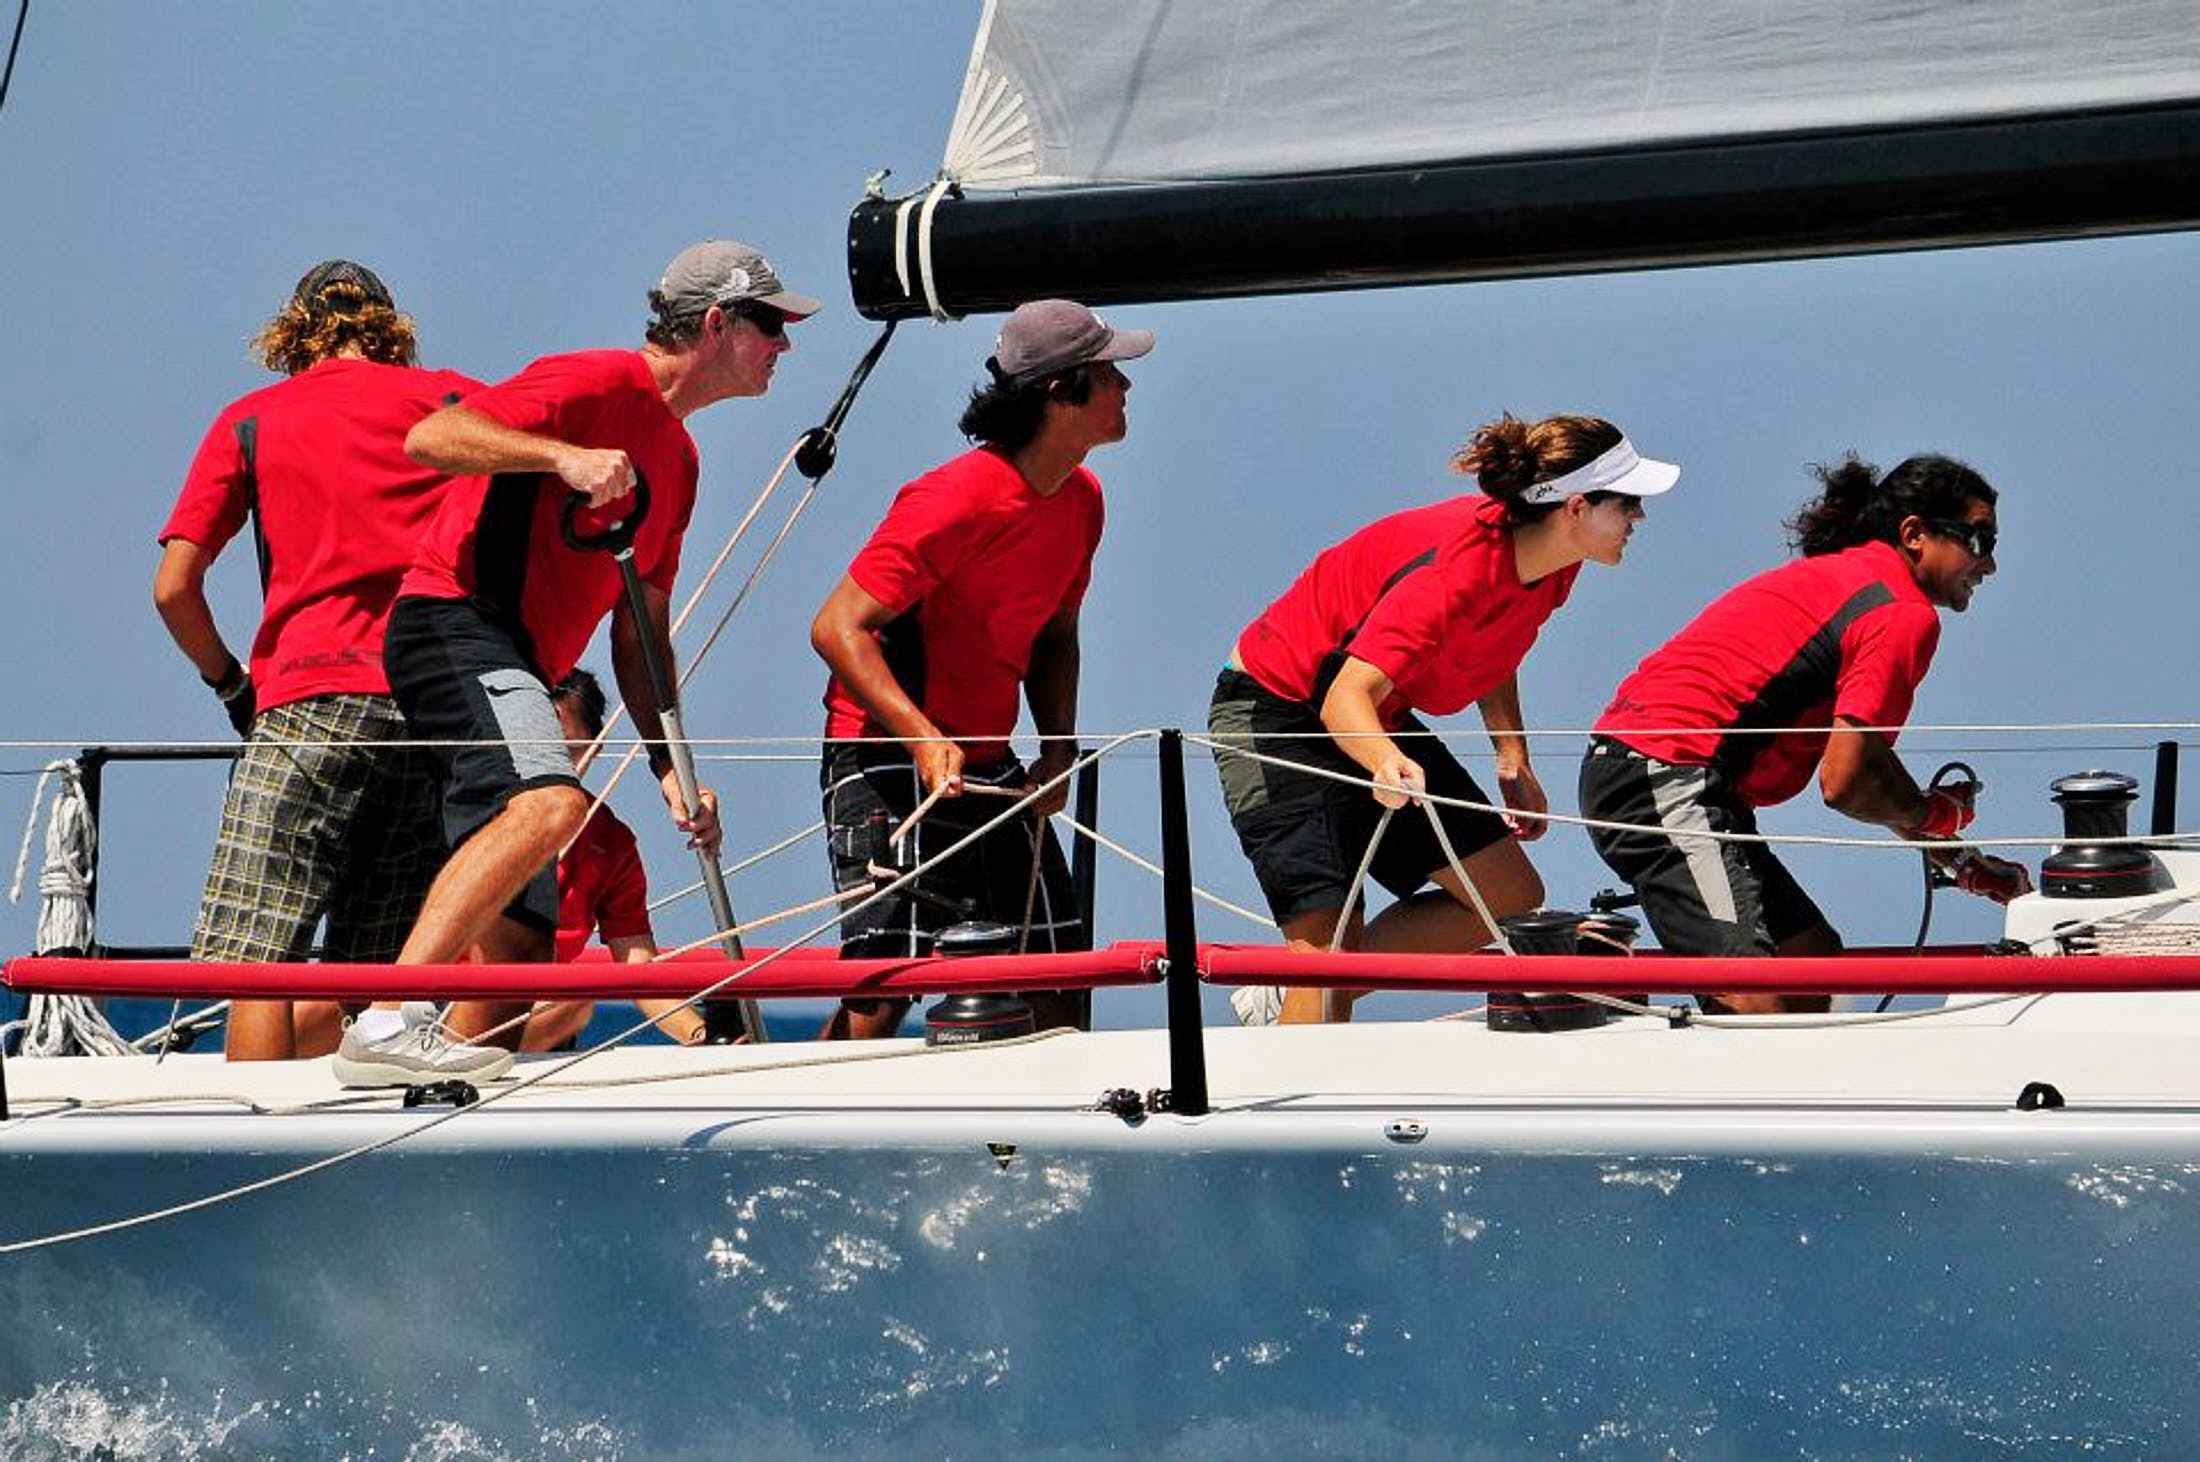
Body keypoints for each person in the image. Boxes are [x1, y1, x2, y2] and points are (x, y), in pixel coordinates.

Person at [355, 239, 815, 1086]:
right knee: (550, 807)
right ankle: (389, 1021)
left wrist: (672, 773)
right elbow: (434, 435)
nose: (786, 345)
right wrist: (559, 455)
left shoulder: (680, 461)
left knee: (523, 952)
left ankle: (438, 1127)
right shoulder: (597, 380)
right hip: (454, 621)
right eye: (771, 325)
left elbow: (640, 636)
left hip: (519, 658)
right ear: (716, 324)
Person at [153, 259, 506, 1080]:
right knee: (372, 975)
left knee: (258, 964)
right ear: (391, 326)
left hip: (307, 698)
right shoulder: (456, 402)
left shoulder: (251, 420)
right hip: (430, 707)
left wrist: (233, 686)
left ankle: (249, 1158)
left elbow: (174, 588)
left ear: (292, 331)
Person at [1211, 413, 1679, 1024]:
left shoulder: (1554, 565)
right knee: (1327, 943)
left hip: (1375, 709)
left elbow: (1495, 645)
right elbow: (1342, 698)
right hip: (1277, 710)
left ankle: (1289, 993)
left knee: (1510, 895)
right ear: (1573, 508)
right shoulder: (1452, 572)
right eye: (1628, 503)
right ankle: (1305, 1015)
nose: (1639, 518)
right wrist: (1383, 761)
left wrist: (1512, 755)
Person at [1579, 452, 2033, 1014]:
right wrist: (1935, 814)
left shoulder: (1852, 578)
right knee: (1754, 999)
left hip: (1664, 777)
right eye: (1980, 540)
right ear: (1914, 534)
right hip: (1666, 775)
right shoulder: (1899, 612)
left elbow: (1870, 770)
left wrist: (1960, 860)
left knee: (1811, 970)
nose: (1989, 565)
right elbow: (1847, 782)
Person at [808, 299, 1150, 1039]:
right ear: (1063, 391)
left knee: (1058, 976)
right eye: (1111, 373)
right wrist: (922, 737)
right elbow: (837, 628)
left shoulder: (1083, 499)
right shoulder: (954, 496)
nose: (1127, 387)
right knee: (885, 989)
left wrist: (1058, 747)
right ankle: (827, 1127)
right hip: (885, 755)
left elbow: (1057, 632)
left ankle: (1036, 1147)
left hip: (990, 766)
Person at [519, 669, 707, 1050]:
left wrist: (703, 1037)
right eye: (535, 745)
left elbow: (637, 965)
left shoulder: (610, 841)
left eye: (565, 747)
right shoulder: (469, 815)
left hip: (542, 1021)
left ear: (596, 746)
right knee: (566, 1005)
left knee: (570, 1007)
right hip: (443, 1009)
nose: (549, 761)